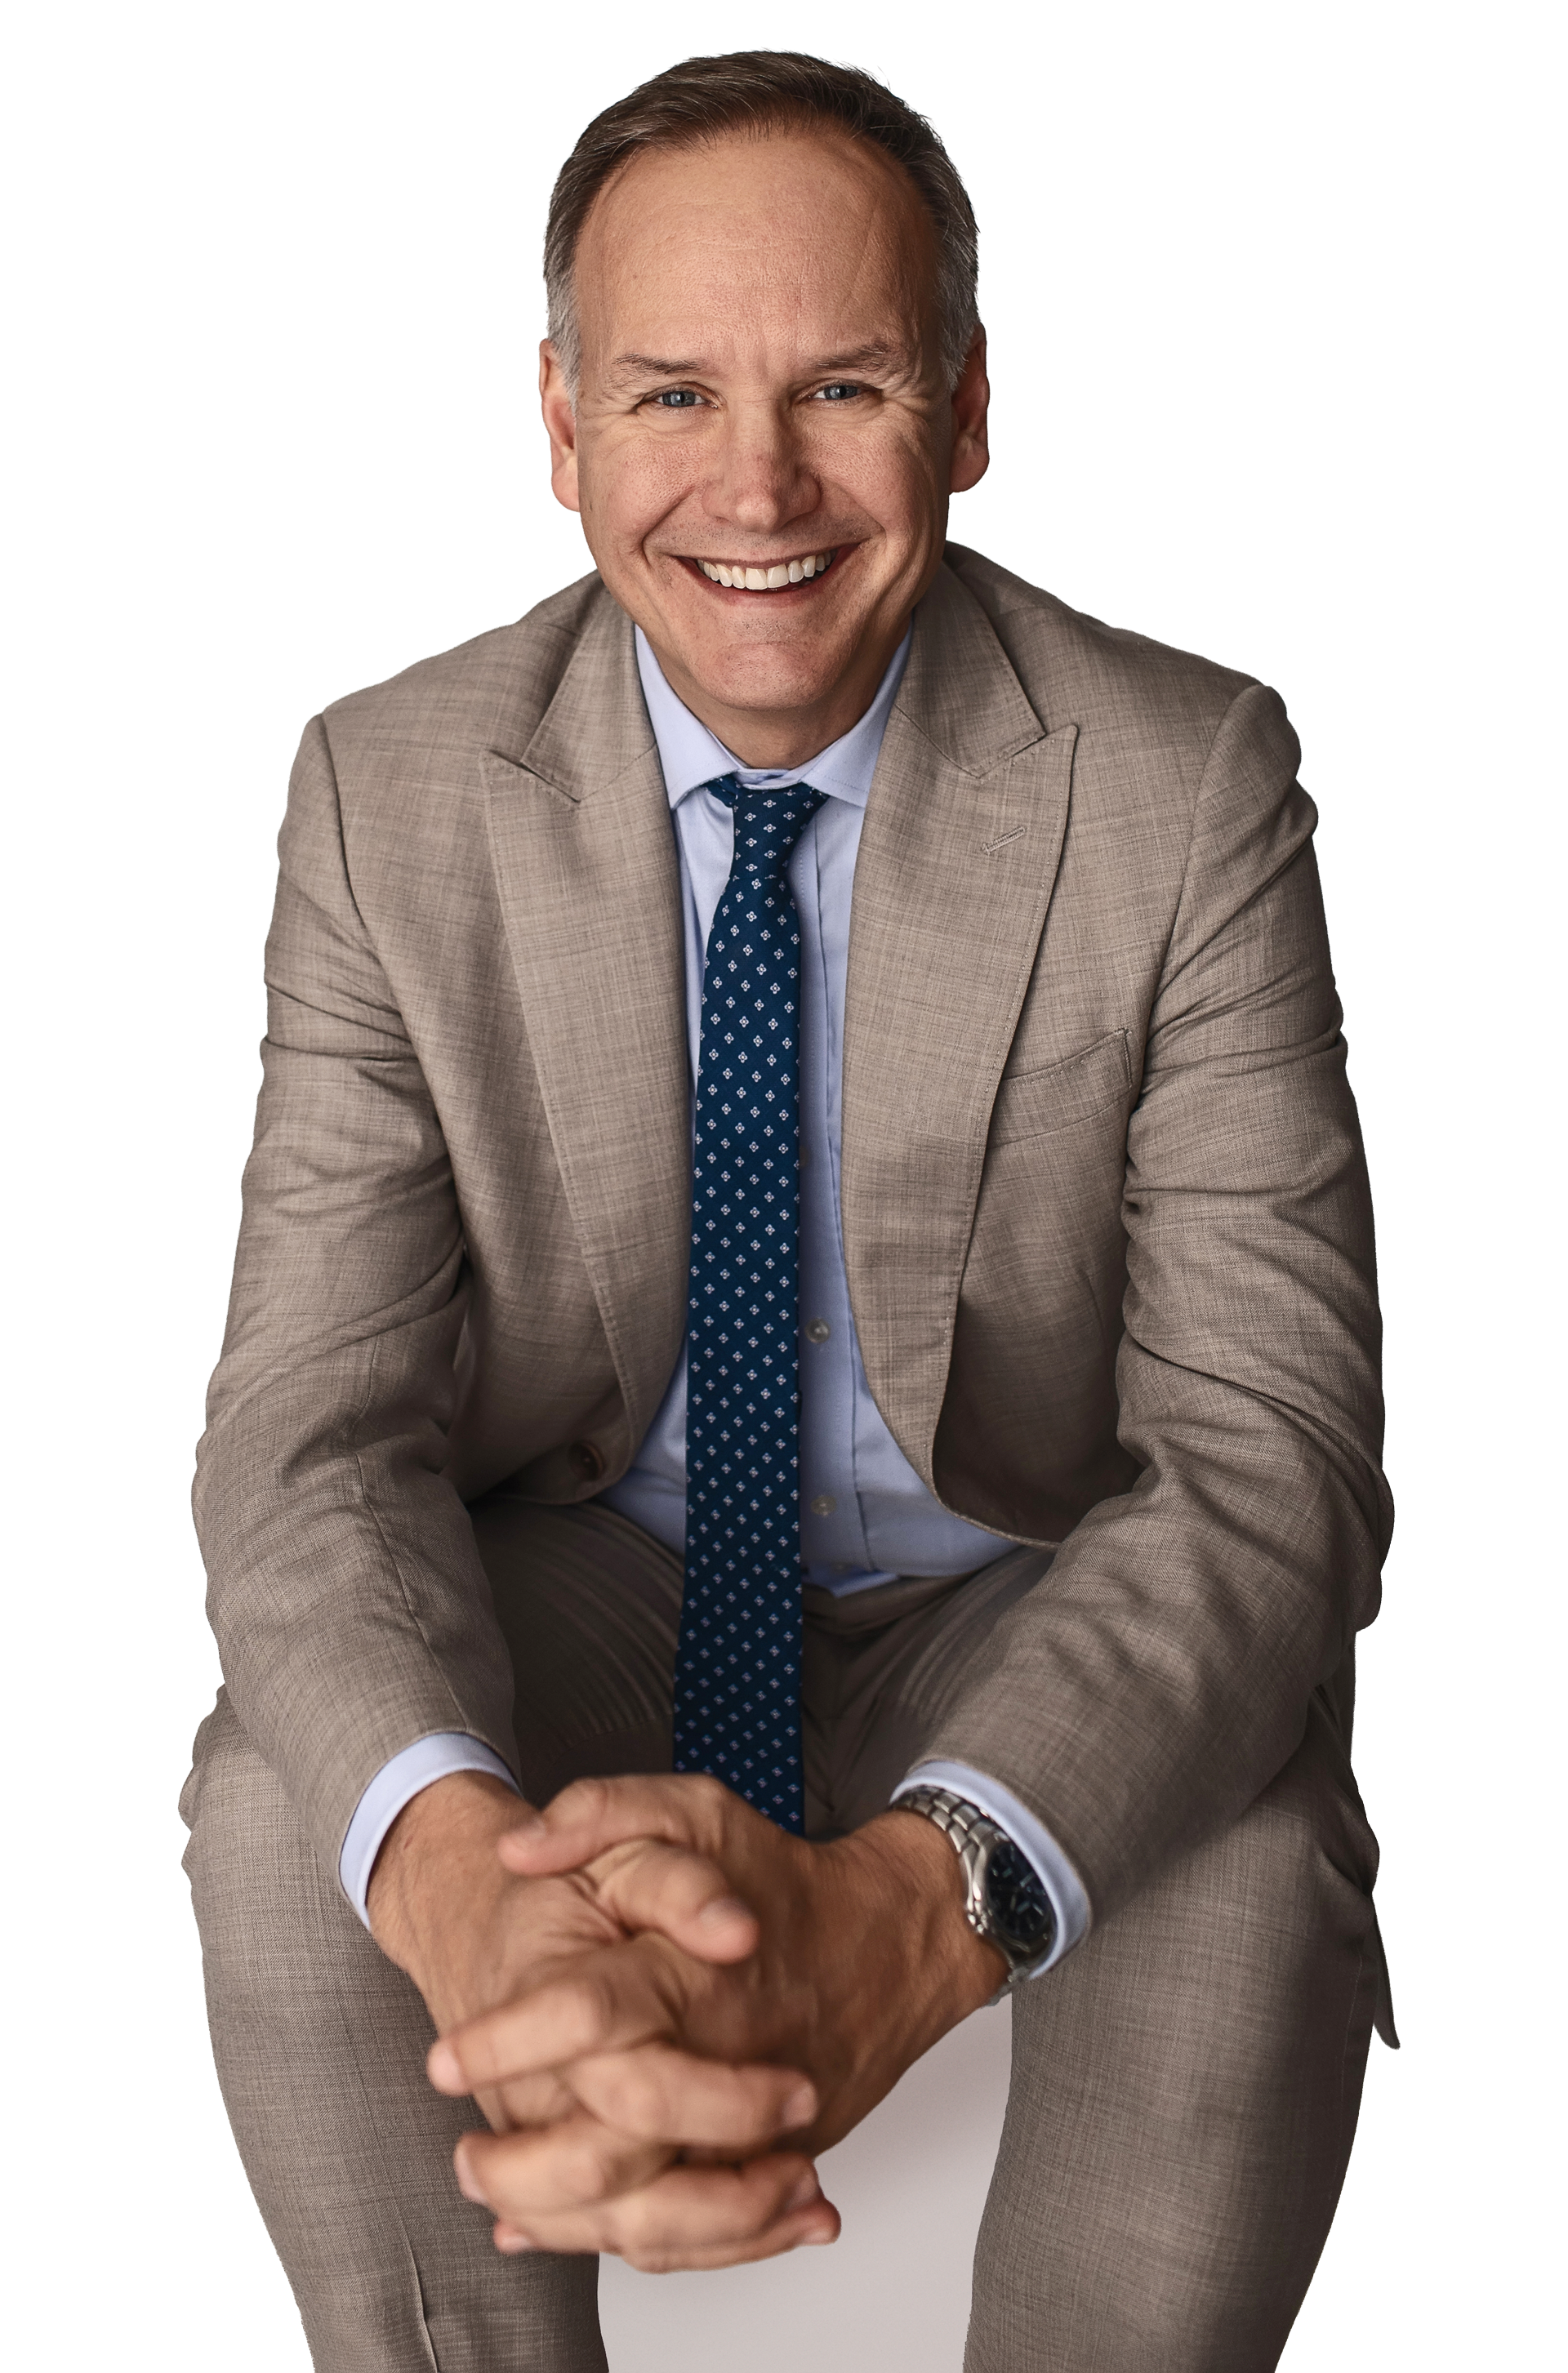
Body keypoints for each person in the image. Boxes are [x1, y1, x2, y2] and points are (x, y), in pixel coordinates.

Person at [182, 47, 1396, 2373]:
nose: (754, 486)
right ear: (559, 426)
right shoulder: (381, 792)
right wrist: (464, 1897)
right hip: (599, 1600)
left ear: (959, 415)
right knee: (280, 1799)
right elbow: (307, 1430)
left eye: (840, 386)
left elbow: (1273, 1457)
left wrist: (912, 1915)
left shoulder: (1185, 784)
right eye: (669, 394)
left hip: (1004, 1603)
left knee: (1249, 1862)